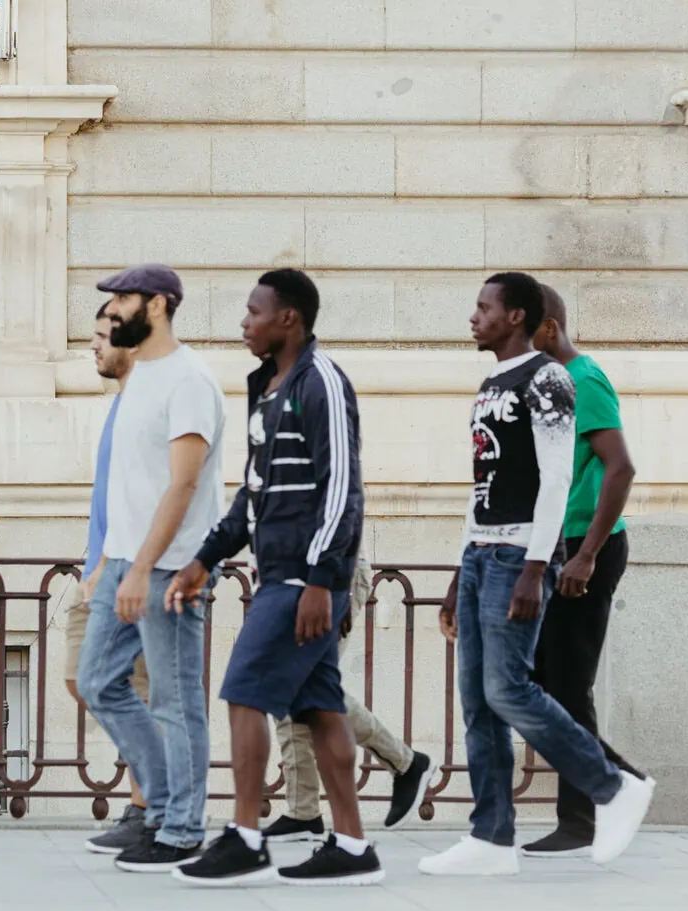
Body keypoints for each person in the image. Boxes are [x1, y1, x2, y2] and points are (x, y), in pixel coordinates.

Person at [422, 273, 654, 877]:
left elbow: (562, 479)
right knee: (480, 698)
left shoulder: (553, 378)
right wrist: (459, 568)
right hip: (485, 553)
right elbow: (484, 486)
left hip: (526, 554)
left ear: (519, 316)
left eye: (484, 307)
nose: (473, 317)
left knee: (514, 689)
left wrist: (541, 565)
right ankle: (491, 837)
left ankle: (612, 788)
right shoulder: (492, 381)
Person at [170, 268, 383, 886]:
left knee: (243, 690)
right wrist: (206, 558)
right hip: (282, 574)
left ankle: (245, 839)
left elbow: (343, 487)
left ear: (288, 318)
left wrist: (322, 580)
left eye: (254, 310)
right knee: (320, 710)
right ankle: (352, 846)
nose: (244, 321)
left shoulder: (321, 382)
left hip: (301, 578)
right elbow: (254, 495)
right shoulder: (268, 387)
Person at [75, 263, 226, 872]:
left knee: (176, 699)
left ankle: (183, 828)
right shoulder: (140, 376)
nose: (111, 312)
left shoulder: (188, 380)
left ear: (159, 304)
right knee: (96, 682)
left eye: (122, 301)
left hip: (166, 568)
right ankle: (161, 804)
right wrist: (111, 561)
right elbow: (130, 481)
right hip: (122, 561)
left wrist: (141, 569)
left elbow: (183, 485)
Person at [522, 285, 643, 858]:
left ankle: (584, 816)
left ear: (548, 329)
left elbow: (620, 468)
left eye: (527, 338)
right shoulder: (550, 385)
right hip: (558, 548)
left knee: (567, 686)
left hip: (586, 549)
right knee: (541, 684)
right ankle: (617, 784)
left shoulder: (583, 379)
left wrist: (587, 554)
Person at [264, 554, 436, 844]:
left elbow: (344, 512)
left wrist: (339, 584)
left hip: (328, 578)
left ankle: (407, 763)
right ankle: (302, 811)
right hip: (293, 580)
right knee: (287, 684)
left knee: (307, 683)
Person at [67, 302, 153, 855]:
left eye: (102, 336)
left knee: (133, 688)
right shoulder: (122, 404)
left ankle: (147, 805)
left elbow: (149, 497)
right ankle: (154, 793)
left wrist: (111, 568)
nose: (92, 347)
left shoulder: (147, 403)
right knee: (85, 678)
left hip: (124, 571)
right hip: (100, 564)